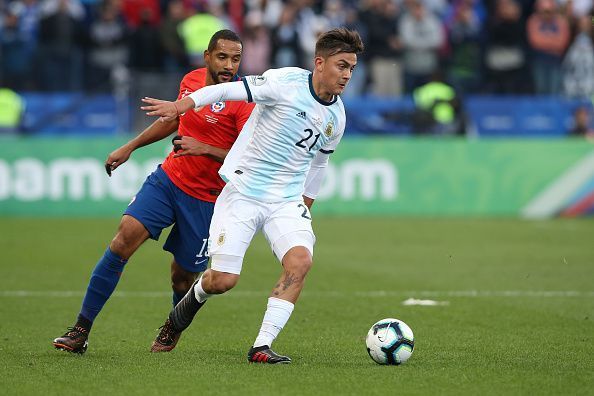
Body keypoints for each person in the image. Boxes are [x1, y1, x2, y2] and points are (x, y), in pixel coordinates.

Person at [142, 27, 364, 363]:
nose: (347, 75)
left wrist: (305, 206)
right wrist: (181, 105)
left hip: (286, 201)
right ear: (320, 63)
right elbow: (229, 90)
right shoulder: (285, 82)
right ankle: (182, 312)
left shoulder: (336, 115)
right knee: (222, 281)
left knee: (300, 262)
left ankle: (261, 346)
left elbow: (319, 165)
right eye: (342, 65)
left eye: (351, 68)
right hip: (244, 192)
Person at [52, 29, 254, 354]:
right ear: (207, 57)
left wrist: (203, 147)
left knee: (182, 279)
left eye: (235, 58)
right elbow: (173, 120)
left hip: (207, 201)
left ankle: (173, 324)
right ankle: (80, 330)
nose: (229, 64)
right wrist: (130, 146)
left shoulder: (244, 100)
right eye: (222, 57)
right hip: (169, 181)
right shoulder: (191, 81)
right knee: (122, 239)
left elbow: (248, 157)